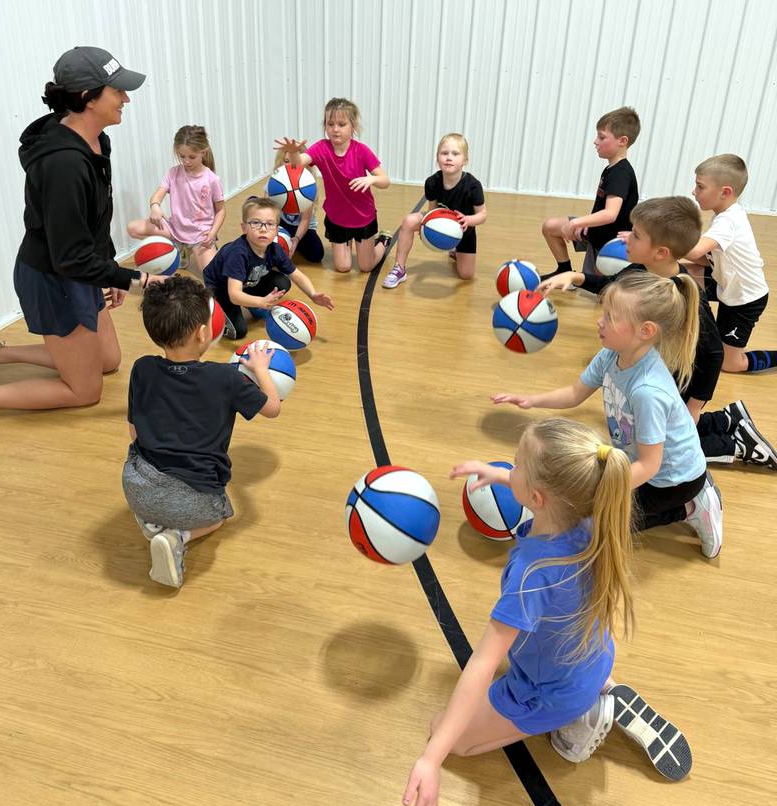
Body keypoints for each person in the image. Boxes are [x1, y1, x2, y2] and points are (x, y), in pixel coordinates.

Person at [402, 418, 692, 806]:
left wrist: (431, 759)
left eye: (515, 465)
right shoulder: (594, 517)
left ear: (537, 498)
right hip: (593, 654)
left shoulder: (532, 574)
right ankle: (600, 686)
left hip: (549, 692)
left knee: (448, 736)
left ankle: (583, 718)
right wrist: (501, 475)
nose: (510, 468)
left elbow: (483, 664)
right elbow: (550, 490)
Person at [0, 46, 159, 410]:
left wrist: (107, 269)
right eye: (117, 90)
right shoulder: (64, 165)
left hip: (78, 266)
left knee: (108, 361)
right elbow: (69, 257)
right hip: (52, 277)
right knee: (85, 392)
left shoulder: (95, 141)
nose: (125, 98)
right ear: (86, 98)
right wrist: (137, 281)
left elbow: (94, 217)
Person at [494, 270, 724, 558]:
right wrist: (529, 400)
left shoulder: (647, 390)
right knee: (589, 513)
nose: (599, 321)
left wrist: (604, 492)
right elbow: (575, 393)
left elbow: (651, 466)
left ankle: (692, 507)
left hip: (673, 481)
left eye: (610, 317)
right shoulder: (611, 354)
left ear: (646, 331)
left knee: (600, 526)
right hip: (635, 460)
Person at [540, 197, 776, 468]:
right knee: (659, 430)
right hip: (661, 372)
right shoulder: (643, 269)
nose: (626, 239)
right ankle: (727, 420)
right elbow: (611, 283)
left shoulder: (685, 293)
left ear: (661, 252)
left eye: (636, 235)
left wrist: (695, 408)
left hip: (682, 379)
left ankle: (738, 445)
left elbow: (712, 353)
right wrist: (575, 277)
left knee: (661, 448)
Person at [123, 275, 280, 588]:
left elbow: (134, 433)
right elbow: (272, 407)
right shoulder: (227, 379)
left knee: (143, 466)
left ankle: (151, 521)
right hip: (192, 502)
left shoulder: (142, 368)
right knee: (220, 516)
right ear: (203, 332)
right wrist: (260, 369)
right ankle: (177, 536)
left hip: (136, 486)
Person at [275, 98, 392, 274]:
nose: (335, 129)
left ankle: (383, 240)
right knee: (343, 267)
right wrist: (293, 153)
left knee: (365, 267)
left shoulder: (361, 151)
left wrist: (371, 180)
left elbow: (385, 180)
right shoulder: (321, 148)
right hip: (337, 217)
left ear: (353, 126)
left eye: (341, 124)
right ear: (325, 126)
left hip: (363, 216)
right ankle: (352, 243)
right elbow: (298, 163)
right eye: (330, 124)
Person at [683, 154, 774, 374]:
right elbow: (705, 258)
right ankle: (689, 331)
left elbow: (695, 249)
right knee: (681, 273)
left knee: (731, 364)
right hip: (724, 283)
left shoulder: (729, 221)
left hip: (745, 299)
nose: (694, 192)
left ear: (725, 192)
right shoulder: (723, 214)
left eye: (700, 186)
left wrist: (658, 241)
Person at [201, 198, 334, 340]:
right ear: (244, 227)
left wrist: (313, 294)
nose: (263, 228)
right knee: (238, 332)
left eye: (270, 224)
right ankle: (212, 306)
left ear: (277, 229)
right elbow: (234, 295)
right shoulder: (237, 254)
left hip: (245, 282)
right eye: (255, 223)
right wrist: (261, 302)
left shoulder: (274, 249)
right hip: (221, 288)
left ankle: (250, 301)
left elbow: (296, 275)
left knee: (283, 282)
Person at [540, 107, 640, 279]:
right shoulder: (612, 168)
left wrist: (576, 223)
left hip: (609, 244)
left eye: (602, 137)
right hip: (596, 233)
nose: (595, 141)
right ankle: (564, 270)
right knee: (550, 226)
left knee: (602, 293)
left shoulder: (621, 173)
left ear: (622, 141)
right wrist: (587, 223)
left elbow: (610, 214)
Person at [382, 133, 486, 288]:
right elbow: (432, 211)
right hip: (441, 220)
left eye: (455, 154)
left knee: (466, 275)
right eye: (444, 153)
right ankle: (399, 268)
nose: (449, 157)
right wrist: (425, 229)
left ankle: (455, 249)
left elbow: (483, 215)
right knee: (409, 220)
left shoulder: (473, 185)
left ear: (465, 160)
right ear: (437, 159)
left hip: (464, 229)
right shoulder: (432, 182)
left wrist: (468, 220)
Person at [127, 125, 226, 277]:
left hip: (200, 235)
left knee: (212, 276)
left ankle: (190, 248)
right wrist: (155, 207)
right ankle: (176, 249)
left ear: (203, 152)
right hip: (174, 229)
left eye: (192, 157)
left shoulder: (212, 179)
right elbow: (157, 195)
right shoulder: (173, 173)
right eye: (182, 156)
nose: (186, 161)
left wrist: (213, 233)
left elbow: (221, 210)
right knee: (133, 228)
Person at [267, 148, 324, 263]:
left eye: (296, 161)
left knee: (317, 254)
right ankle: (284, 240)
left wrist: (297, 239)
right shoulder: (275, 183)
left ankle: (292, 242)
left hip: (303, 227)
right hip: (281, 222)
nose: (292, 165)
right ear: (280, 163)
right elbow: (268, 211)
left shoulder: (307, 185)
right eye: (287, 161)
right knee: (254, 203)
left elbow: (305, 220)